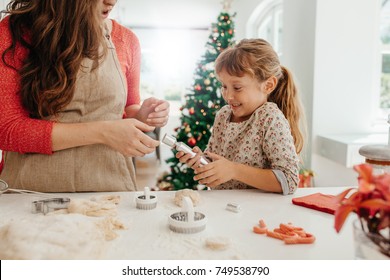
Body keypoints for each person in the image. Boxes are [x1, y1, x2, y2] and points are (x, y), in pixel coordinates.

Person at [0, 0, 170, 192]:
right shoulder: (15, 31)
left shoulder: (126, 40)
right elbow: (7, 130)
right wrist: (103, 132)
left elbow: (129, 107)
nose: (112, 1)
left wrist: (142, 115)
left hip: (109, 189)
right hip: (31, 194)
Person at [177, 39, 304, 195]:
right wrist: (201, 161)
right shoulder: (223, 115)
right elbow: (217, 161)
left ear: (268, 85)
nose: (228, 96)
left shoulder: (270, 118)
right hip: (224, 207)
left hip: (256, 212)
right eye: (224, 86)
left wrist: (234, 170)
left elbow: (289, 180)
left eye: (237, 87)